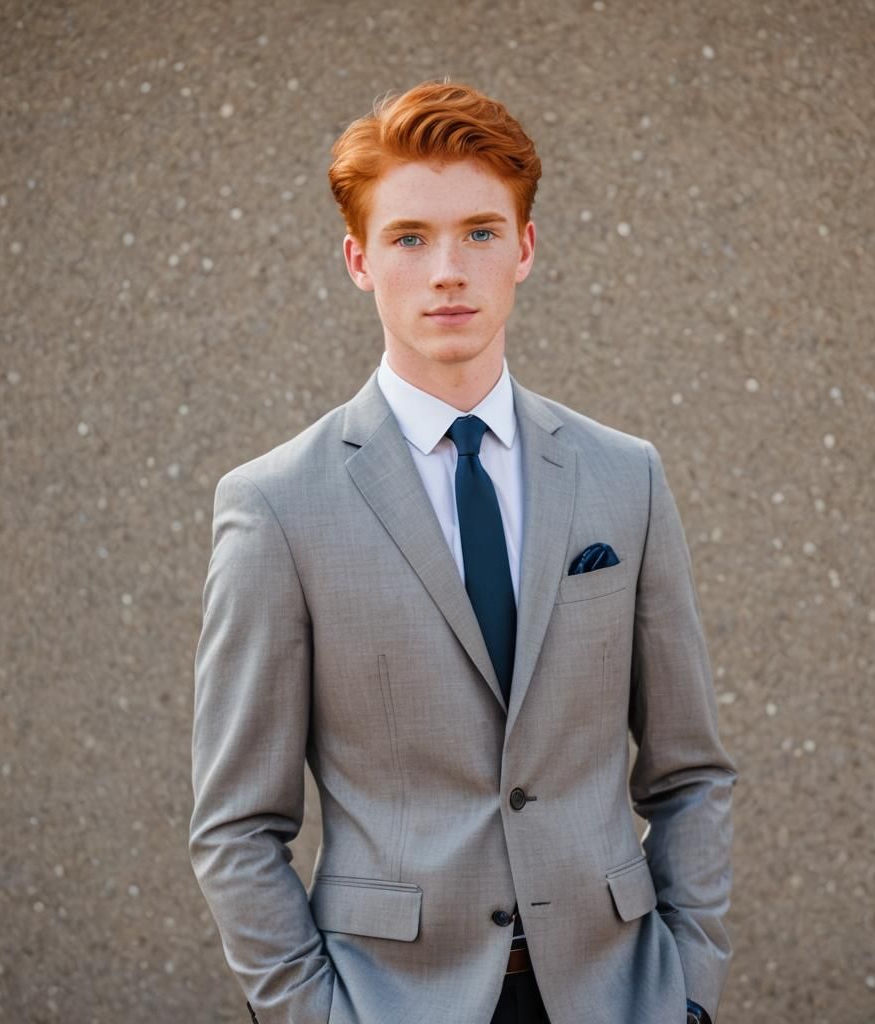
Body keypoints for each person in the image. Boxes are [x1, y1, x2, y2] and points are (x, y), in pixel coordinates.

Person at [189, 80, 737, 1024]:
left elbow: (690, 773)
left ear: (524, 248)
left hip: (617, 992)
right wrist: (311, 1014)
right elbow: (237, 824)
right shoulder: (276, 505)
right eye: (410, 238)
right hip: (390, 998)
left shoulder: (624, 477)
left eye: (480, 232)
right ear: (359, 260)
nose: (448, 270)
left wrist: (686, 990)